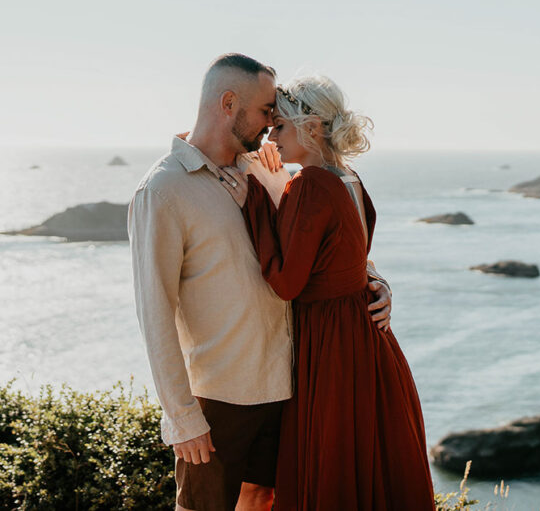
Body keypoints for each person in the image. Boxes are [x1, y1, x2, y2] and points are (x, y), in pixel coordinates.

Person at [128, 54, 393, 511]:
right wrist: (182, 417)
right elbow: (154, 311)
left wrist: (372, 280)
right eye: (267, 110)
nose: (273, 123)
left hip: (287, 386)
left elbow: (321, 243)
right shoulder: (164, 190)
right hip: (220, 397)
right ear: (229, 102)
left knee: (265, 500)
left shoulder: (261, 168)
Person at [219, 75, 435, 511]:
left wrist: (256, 201)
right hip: (369, 345)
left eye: (279, 126)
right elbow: (350, 259)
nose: (271, 137)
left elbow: (286, 284)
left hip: (331, 347)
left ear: (312, 127)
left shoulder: (312, 184)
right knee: (369, 469)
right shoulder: (351, 179)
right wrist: (378, 282)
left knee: (330, 470)